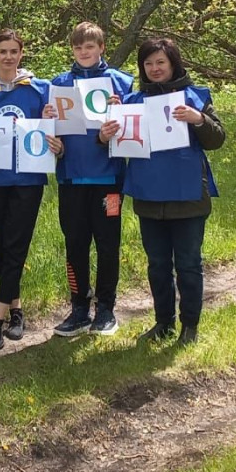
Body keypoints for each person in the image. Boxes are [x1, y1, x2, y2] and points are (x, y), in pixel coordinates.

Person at [98, 36, 225, 346]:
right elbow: (111, 146)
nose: (154, 68)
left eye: (161, 62)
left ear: (173, 64)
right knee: (157, 265)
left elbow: (217, 139)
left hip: (189, 196)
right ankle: (163, 323)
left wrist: (199, 120)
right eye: (148, 63)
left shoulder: (195, 97)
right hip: (149, 196)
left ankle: (190, 327)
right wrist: (105, 133)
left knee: (188, 264)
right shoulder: (130, 102)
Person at [0, 28, 63, 351]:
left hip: (28, 177)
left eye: (13, 51)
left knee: (17, 244)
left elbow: (55, 128)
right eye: (2, 51)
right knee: (1, 246)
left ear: (21, 54)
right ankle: (16, 310)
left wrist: (53, 127)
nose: (8, 56)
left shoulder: (40, 90)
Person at [49, 22, 134, 338]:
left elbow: (134, 133)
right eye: (78, 47)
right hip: (71, 177)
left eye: (89, 46)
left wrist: (118, 120)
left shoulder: (121, 82)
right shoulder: (59, 84)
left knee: (108, 244)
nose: (83, 52)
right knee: (75, 245)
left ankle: (107, 309)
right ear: (72, 50)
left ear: (101, 47)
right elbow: (50, 133)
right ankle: (79, 308)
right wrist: (48, 129)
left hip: (108, 179)